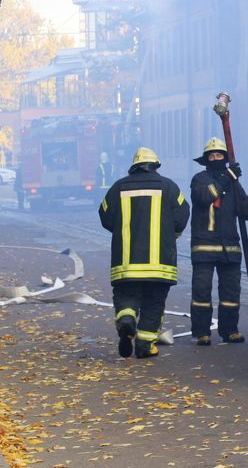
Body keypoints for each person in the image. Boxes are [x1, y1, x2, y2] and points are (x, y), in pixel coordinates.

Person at [99, 147, 190, 359]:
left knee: (126, 296)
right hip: (160, 264)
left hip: (126, 262)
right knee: (154, 303)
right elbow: (183, 215)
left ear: (134, 167)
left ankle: (126, 319)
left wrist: (123, 229)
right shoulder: (169, 187)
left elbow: (105, 215)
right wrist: (171, 235)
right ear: (155, 166)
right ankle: (144, 345)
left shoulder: (118, 187)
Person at [189, 137, 248, 346]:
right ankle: (202, 332)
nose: (216, 158)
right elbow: (206, 196)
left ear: (225, 158)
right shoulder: (200, 179)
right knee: (201, 291)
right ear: (206, 159)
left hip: (230, 249)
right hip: (204, 247)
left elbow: (247, 208)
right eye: (212, 155)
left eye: (219, 155)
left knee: (231, 293)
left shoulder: (233, 184)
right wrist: (229, 177)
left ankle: (230, 330)